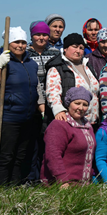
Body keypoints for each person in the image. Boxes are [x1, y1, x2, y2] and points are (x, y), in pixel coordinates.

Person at [0, 27, 39, 185]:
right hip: (10, 117)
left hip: (28, 117)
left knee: (21, 155)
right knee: (6, 156)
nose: (20, 45)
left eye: (23, 42)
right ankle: (2, 189)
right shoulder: (5, 62)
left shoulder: (31, 64)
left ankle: (14, 189)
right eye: (16, 42)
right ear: (8, 43)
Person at [40, 87, 96, 187]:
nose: (81, 108)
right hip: (62, 185)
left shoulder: (87, 125)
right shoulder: (60, 124)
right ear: (68, 104)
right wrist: (62, 180)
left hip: (83, 186)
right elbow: (53, 155)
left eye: (85, 105)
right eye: (77, 103)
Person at [26, 21, 60, 181]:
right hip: (30, 103)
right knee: (30, 143)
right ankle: (30, 178)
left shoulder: (54, 53)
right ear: (31, 36)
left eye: (44, 34)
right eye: (38, 34)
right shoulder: (25, 53)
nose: (41, 37)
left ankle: (45, 177)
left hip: (49, 104)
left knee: (46, 141)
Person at [45, 33, 100, 125]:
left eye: (81, 48)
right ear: (65, 48)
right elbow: (53, 92)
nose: (78, 51)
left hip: (92, 122)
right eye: (74, 47)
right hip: (70, 123)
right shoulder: (57, 68)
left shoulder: (88, 66)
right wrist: (58, 110)